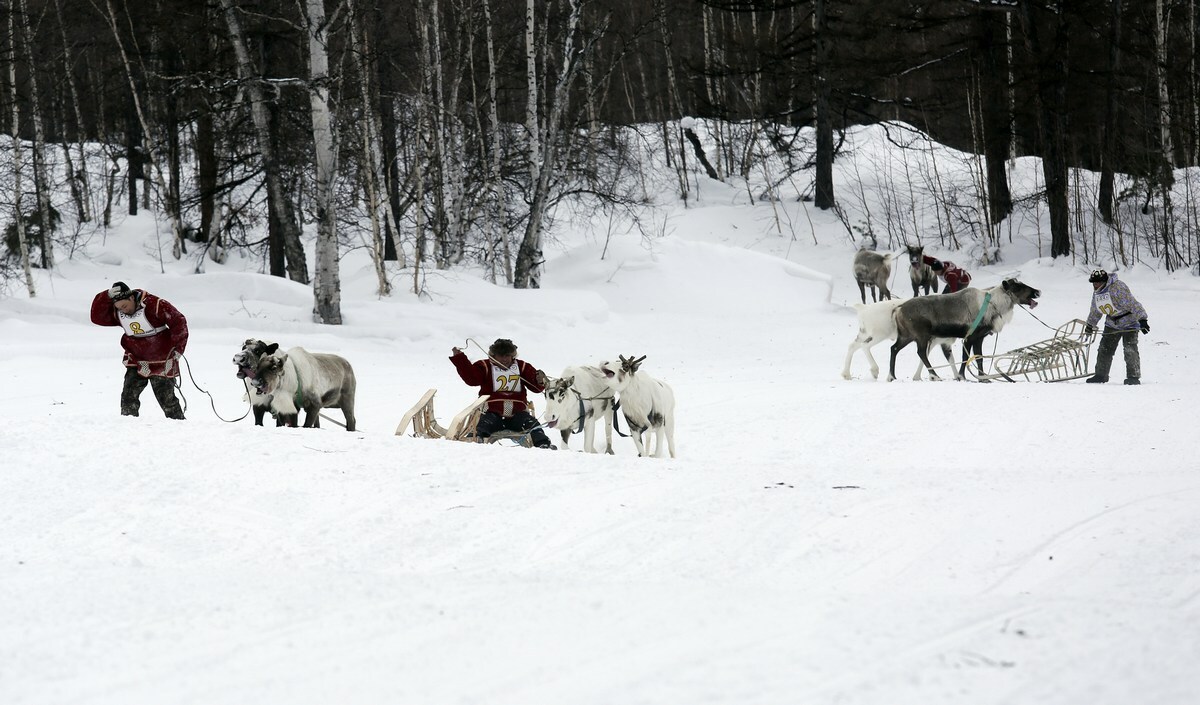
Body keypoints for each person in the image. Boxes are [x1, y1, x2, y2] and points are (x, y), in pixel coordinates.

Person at [90, 281, 189, 418]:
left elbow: (178, 321)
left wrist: (178, 349)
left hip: (162, 359)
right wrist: (105, 296)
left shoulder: (155, 304)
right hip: (136, 360)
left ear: (131, 298)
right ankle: (129, 425)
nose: (123, 310)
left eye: (124, 306)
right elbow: (96, 317)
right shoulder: (118, 313)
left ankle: (179, 426)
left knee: (167, 400)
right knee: (128, 396)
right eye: (119, 308)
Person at [450, 338, 555, 449]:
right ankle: (473, 442)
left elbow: (536, 387)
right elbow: (471, 379)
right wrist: (460, 359)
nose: (505, 359)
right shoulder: (484, 366)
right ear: (494, 355)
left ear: (512, 356)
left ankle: (543, 444)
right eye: (501, 356)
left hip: (518, 415)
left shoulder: (522, 367)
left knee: (532, 424)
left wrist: (539, 380)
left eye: (507, 356)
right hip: (492, 414)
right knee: (483, 425)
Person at [1084, 269, 1149, 385]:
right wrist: (1090, 324)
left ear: (1104, 281)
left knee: (1130, 350)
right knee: (1104, 349)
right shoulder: (1097, 293)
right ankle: (1101, 375)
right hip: (1111, 323)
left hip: (1129, 323)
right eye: (1093, 283)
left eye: (1097, 282)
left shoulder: (1118, 288)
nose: (1095, 285)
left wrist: (1142, 319)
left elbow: (1132, 303)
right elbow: (1096, 310)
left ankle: (1133, 376)